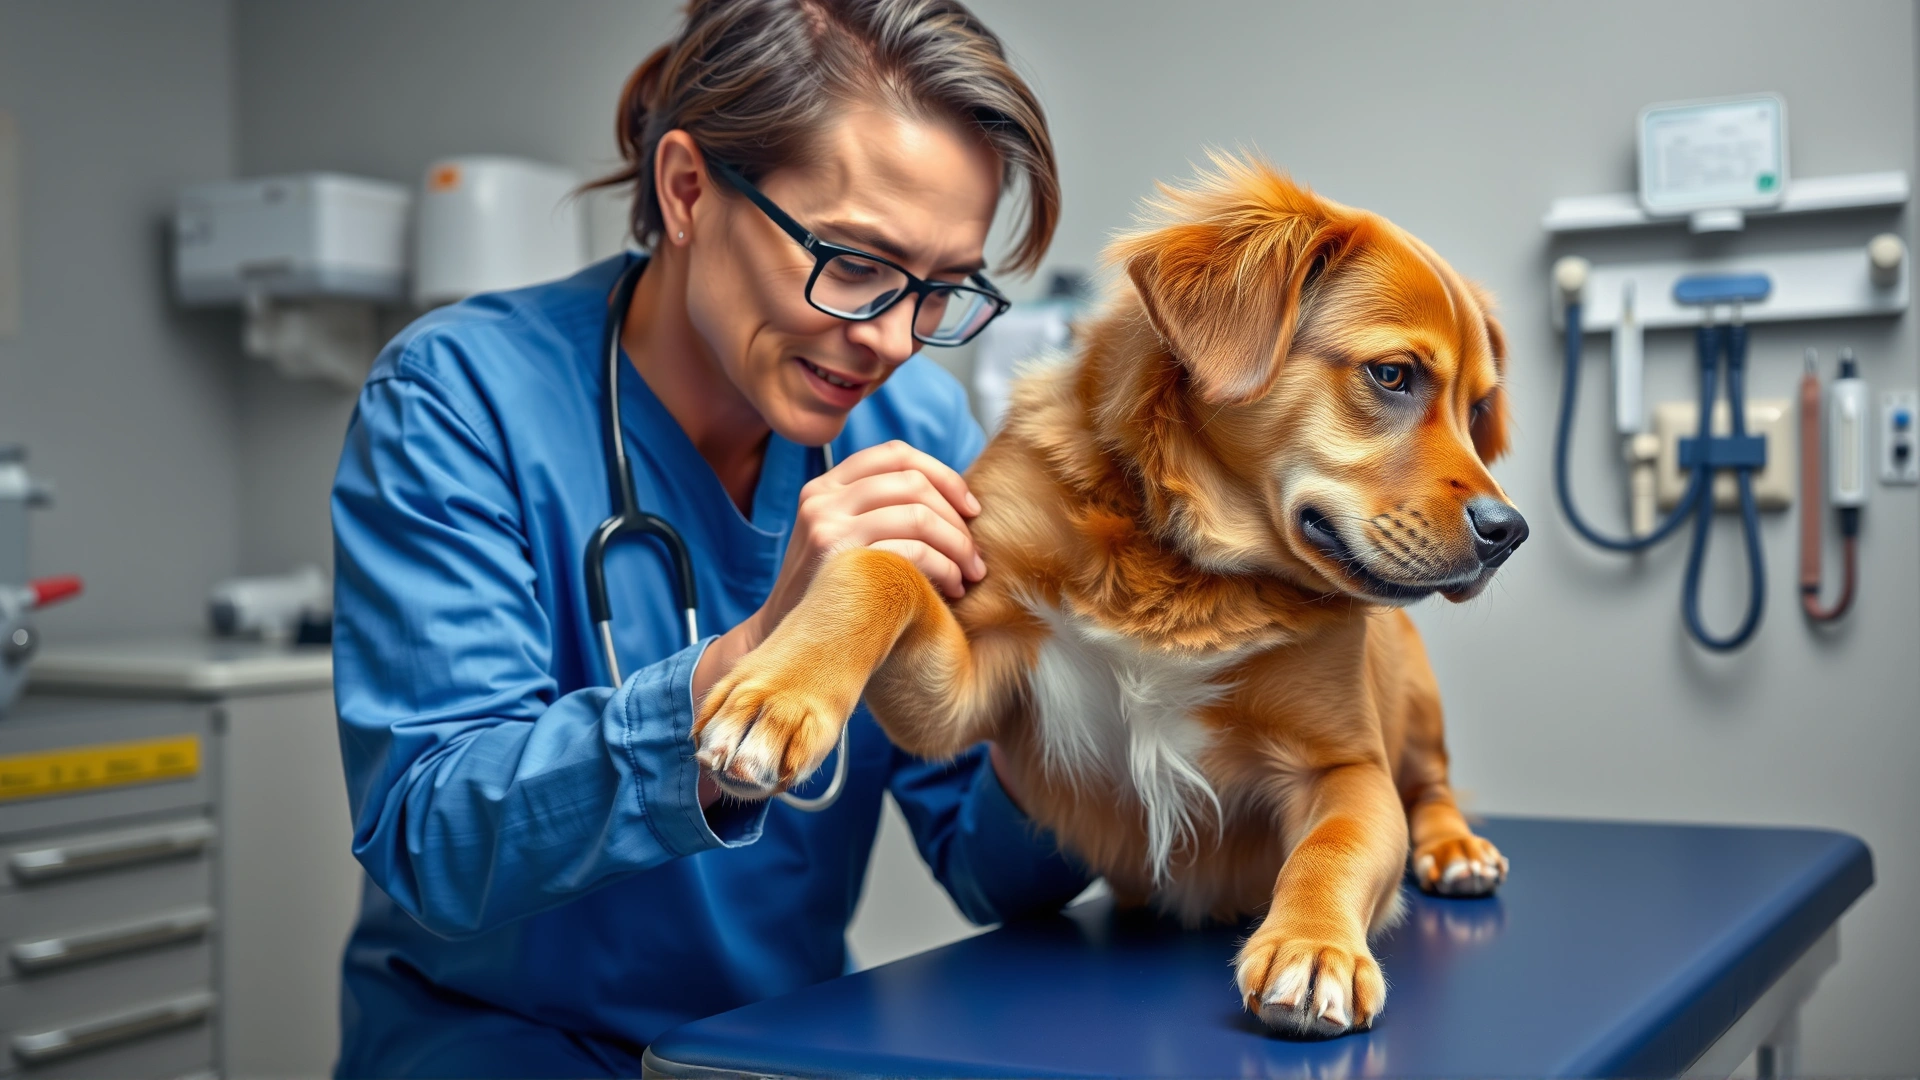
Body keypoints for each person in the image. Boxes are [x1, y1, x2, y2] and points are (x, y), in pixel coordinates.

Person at [328, 1, 1089, 1075]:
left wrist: (1109, 679)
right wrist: (771, 646)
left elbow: (985, 861)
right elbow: (434, 833)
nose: (890, 339)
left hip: (763, 1053)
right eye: (855, 261)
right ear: (688, 191)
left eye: (940, 290)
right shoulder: (458, 398)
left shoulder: (920, 437)